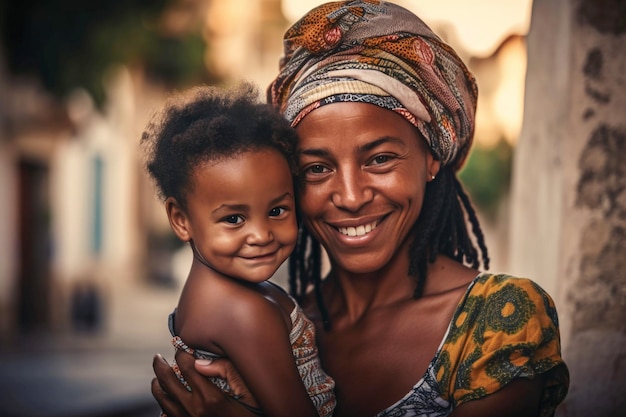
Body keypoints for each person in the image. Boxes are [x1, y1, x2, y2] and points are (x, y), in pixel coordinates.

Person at [151, 1, 570, 416]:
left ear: (431, 159)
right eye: (316, 168)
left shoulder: (499, 320)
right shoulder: (285, 326)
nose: (350, 197)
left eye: (380, 159)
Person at [141, 82, 336, 417]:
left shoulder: (220, 291)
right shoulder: (244, 313)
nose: (261, 235)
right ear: (180, 219)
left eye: (277, 211)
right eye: (233, 218)